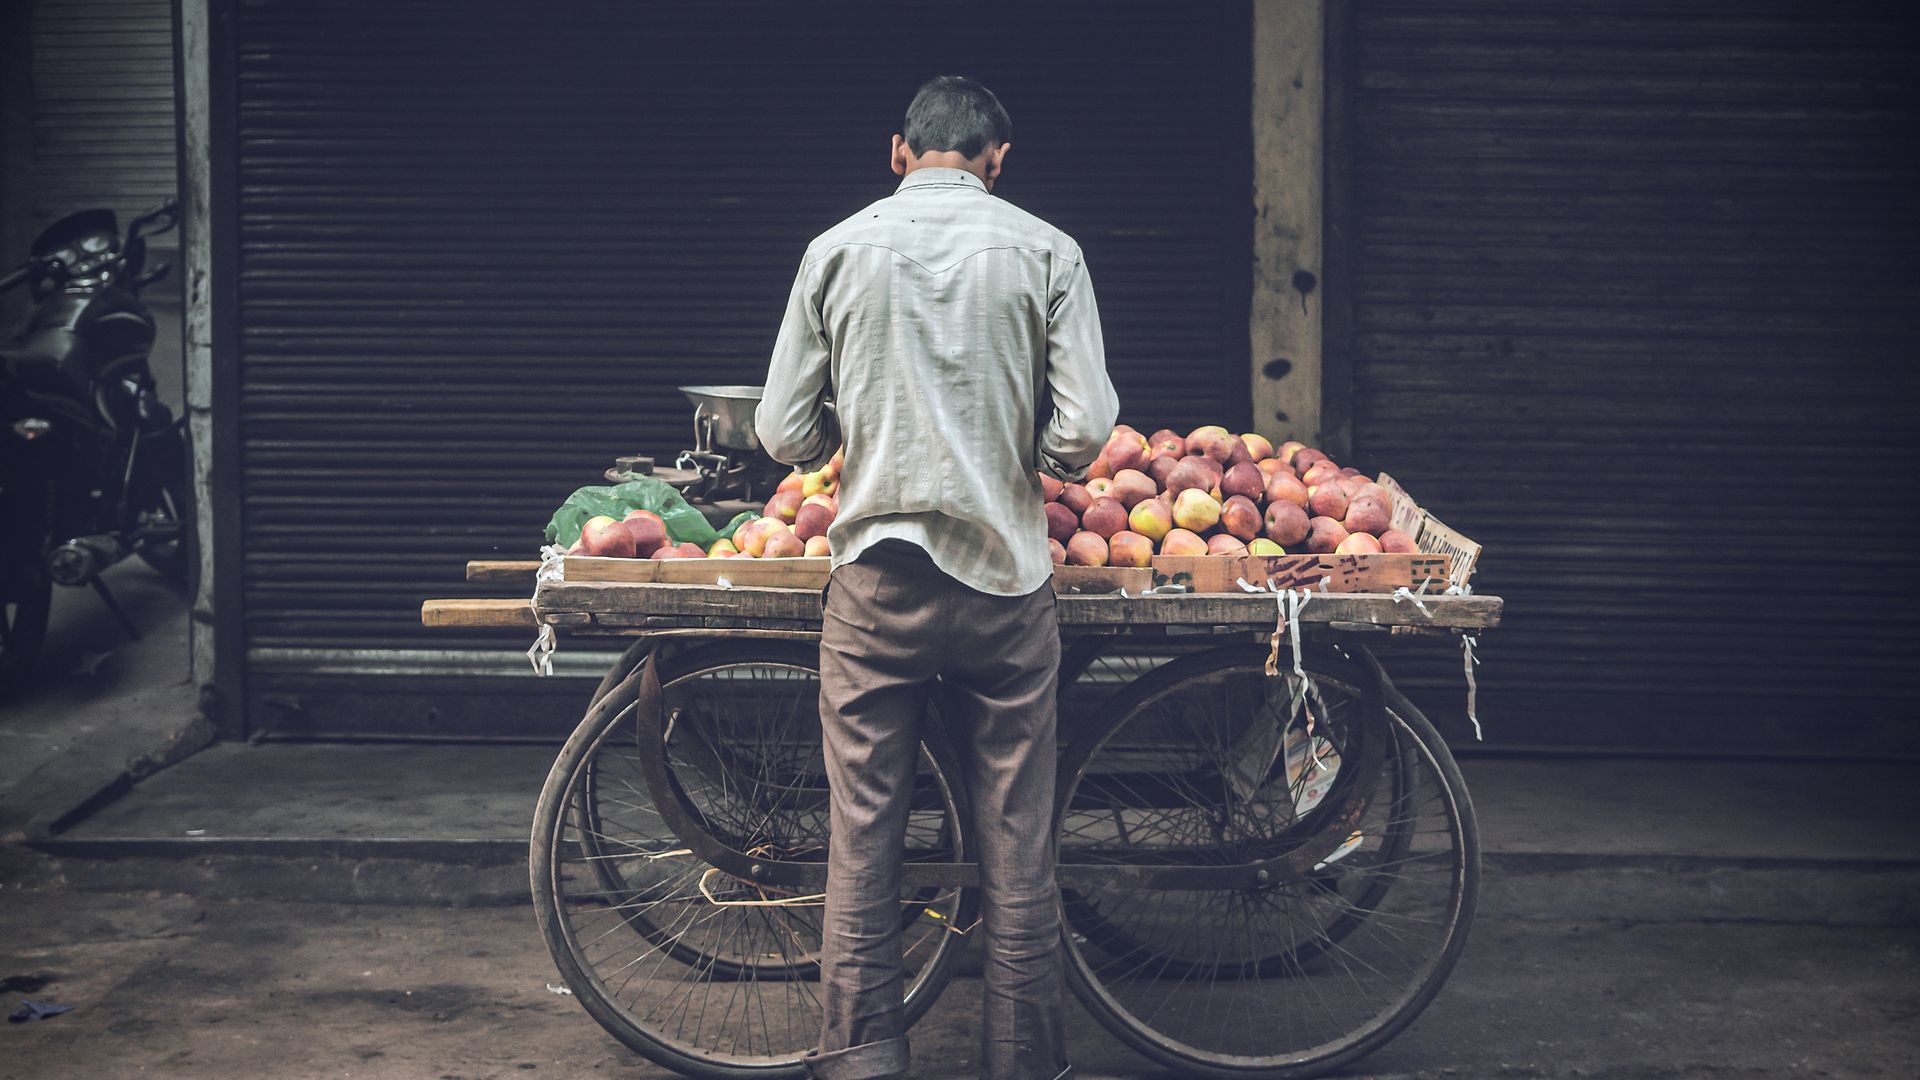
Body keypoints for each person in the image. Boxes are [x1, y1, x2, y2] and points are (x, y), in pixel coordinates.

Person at [755, 75, 1119, 1080]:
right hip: (1005, 587)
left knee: (862, 840)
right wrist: (1025, 446)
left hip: (874, 587)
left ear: (899, 153)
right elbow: (1086, 433)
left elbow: (782, 430)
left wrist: (848, 425)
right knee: (1019, 847)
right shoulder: (1048, 250)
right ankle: (1025, 1063)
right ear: (999, 161)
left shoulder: (837, 248)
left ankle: (866, 1061)